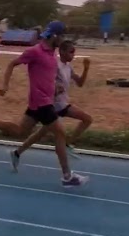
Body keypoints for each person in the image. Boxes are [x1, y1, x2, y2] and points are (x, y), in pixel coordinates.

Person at [0, 21, 88, 187]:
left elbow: (45, 75)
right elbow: (12, 64)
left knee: (19, 130)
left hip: (42, 101)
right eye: (61, 36)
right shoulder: (35, 52)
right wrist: (5, 85)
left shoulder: (52, 53)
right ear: (54, 35)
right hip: (42, 102)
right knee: (60, 133)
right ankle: (67, 176)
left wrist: (56, 87)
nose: (62, 39)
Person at [11, 39, 94, 170]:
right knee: (85, 119)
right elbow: (46, 79)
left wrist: (86, 69)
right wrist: (55, 88)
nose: (73, 55)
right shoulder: (54, 64)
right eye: (70, 52)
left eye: (74, 52)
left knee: (41, 133)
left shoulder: (68, 67)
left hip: (61, 104)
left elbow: (80, 83)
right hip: (52, 105)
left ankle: (17, 152)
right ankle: (66, 151)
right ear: (61, 51)